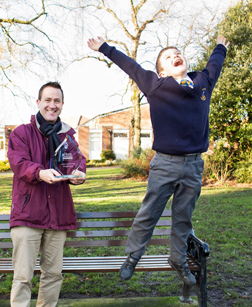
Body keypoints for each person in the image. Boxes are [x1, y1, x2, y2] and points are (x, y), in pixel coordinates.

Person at [87, 35, 229, 284]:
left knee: (183, 215)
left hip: (194, 165)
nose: (176, 55)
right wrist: (104, 48)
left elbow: (215, 63)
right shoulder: (156, 85)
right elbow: (130, 65)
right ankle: (133, 255)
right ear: (162, 71)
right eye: (168, 56)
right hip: (165, 163)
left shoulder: (203, 82)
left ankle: (178, 258)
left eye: (178, 52)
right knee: (150, 211)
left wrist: (221, 47)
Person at [7, 81, 86, 307]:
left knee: (53, 273)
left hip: (58, 215)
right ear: (38, 102)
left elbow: (76, 161)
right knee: (23, 277)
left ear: (62, 105)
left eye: (58, 101)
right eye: (48, 100)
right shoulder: (22, 133)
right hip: (28, 215)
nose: (53, 105)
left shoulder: (66, 135)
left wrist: (78, 173)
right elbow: (18, 163)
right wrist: (40, 172)